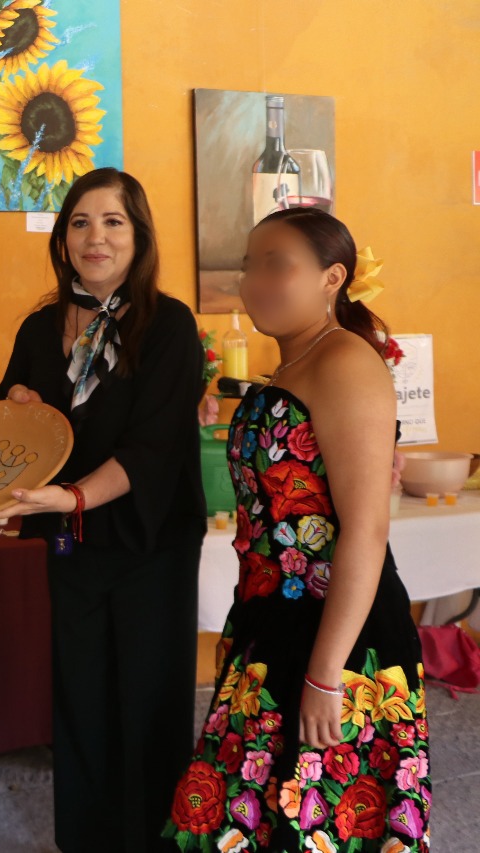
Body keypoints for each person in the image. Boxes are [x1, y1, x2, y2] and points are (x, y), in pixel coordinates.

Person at [165, 209, 429, 850]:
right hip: (274, 622)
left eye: (277, 265)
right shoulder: (292, 366)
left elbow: (366, 530)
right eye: (249, 265)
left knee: (316, 824)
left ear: (331, 278)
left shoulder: (345, 362)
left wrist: (324, 674)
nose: (254, 281)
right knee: (250, 816)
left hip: (335, 635)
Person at [0, 168, 207, 852]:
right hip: (70, 544)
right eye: (80, 222)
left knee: (148, 700)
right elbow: (16, 415)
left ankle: (155, 841)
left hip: (150, 541)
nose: (96, 237)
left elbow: (155, 447)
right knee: (80, 697)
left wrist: (76, 495)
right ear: (63, 238)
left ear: (139, 236)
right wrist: (18, 414)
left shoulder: (168, 325)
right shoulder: (40, 326)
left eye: (114, 222)